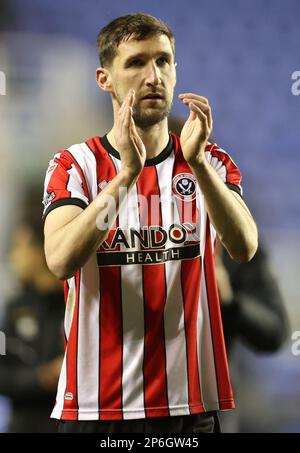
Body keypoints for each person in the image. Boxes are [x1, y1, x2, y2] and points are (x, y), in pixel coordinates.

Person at [42, 13, 258, 434]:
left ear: (176, 70)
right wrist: (125, 177)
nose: (153, 75)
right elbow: (61, 260)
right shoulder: (74, 167)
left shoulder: (209, 163)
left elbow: (245, 246)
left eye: (164, 61)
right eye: (137, 62)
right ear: (105, 79)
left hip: (189, 410)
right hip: (95, 410)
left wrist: (197, 164)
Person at [0, 188, 64, 433]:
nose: (13, 256)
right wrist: (42, 377)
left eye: (19, 247)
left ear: (40, 250)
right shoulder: (16, 307)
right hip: (23, 425)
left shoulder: (77, 303)